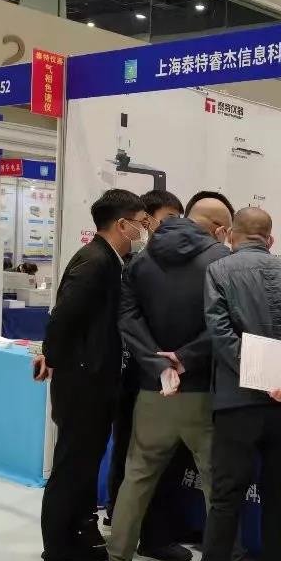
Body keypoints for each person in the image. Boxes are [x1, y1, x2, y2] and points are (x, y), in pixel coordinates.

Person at [106, 194, 244, 561]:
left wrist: (158, 363)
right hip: (203, 390)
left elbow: (127, 319)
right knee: (216, 483)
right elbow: (226, 324)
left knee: (137, 475)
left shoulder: (140, 261)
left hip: (153, 389)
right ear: (219, 228)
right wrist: (185, 358)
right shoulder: (221, 260)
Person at [186, 207, 281, 561]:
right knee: (277, 499)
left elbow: (220, 334)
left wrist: (257, 375)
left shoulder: (218, 271)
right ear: (270, 239)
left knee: (225, 500)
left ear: (231, 236)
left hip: (236, 404)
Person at [36, 189, 149, 561]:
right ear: (122, 224)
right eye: (141, 222)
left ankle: (75, 542)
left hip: (96, 380)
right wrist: (52, 356)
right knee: (69, 471)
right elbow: (65, 316)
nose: (145, 230)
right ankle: (54, 560)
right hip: (82, 384)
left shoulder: (111, 261)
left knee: (83, 470)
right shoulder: (95, 261)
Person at [104, 188, 185, 538]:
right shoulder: (136, 265)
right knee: (128, 448)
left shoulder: (172, 265)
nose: (176, 227)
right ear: (147, 221)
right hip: (137, 372)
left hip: (163, 373)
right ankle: (120, 517)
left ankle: (133, 523)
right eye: (169, 219)